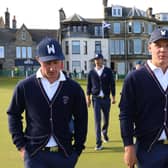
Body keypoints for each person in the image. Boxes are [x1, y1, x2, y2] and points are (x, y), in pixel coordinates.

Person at [7, 37, 88, 168]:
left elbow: (81, 119)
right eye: (47, 63)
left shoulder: (73, 88)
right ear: (38, 60)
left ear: (61, 61)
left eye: (55, 62)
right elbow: (13, 114)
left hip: (64, 155)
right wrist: (21, 146)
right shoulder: (25, 86)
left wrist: (77, 150)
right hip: (35, 156)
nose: (52, 68)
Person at [119, 28, 168, 168]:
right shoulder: (135, 78)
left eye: (167, 46)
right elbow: (126, 115)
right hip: (148, 150)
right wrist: (128, 146)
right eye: (158, 45)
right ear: (149, 47)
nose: (163, 50)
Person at [86, 53, 116, 150]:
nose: (97, 61)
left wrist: (113, 97)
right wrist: (88, 98)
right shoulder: (91, 73)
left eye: (99, 59)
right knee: (97, 121)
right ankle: (98, 143)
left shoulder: (108, 71)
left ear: (102, 60)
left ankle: (104, 133)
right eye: (95, 59)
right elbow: (88, 86)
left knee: (106, 119)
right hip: (96, 99)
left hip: (106, 99)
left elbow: (112, 84)